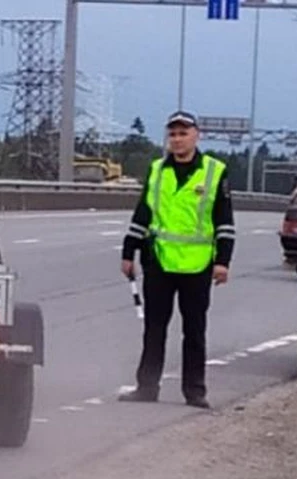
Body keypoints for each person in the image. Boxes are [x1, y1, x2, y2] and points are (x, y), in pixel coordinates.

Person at [118, 110, 235, 409]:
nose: (178, 139)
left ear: (196, 136)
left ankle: (195, 391)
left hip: (197, 265)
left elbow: (223, 219)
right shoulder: (157, 170)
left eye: (183, 133)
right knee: (154, 328)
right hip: (158, 260)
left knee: (194, 331)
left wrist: (223, 261)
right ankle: (147, 387)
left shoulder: (214, 171)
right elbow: (143, 212)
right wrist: (128, 252)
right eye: (173, 134)